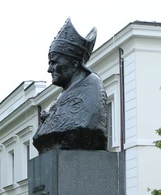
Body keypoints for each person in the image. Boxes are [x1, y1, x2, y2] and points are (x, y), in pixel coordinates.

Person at [32, 17, 107, 153]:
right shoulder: (61, 96)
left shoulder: (92, 85)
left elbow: (84, 125)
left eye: (54, 62)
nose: (49, 69)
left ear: (73, 64)